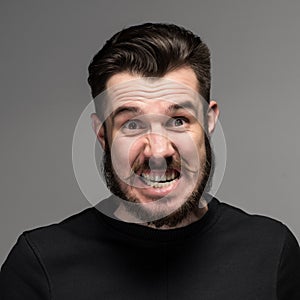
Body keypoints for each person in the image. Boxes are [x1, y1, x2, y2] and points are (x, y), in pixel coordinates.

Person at [1, 23, 299, 300]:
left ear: (209, 122)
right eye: (132, 125)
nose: (157, 152)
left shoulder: (271, 251)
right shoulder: (39, 265)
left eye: (179, 120)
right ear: (102, 134)